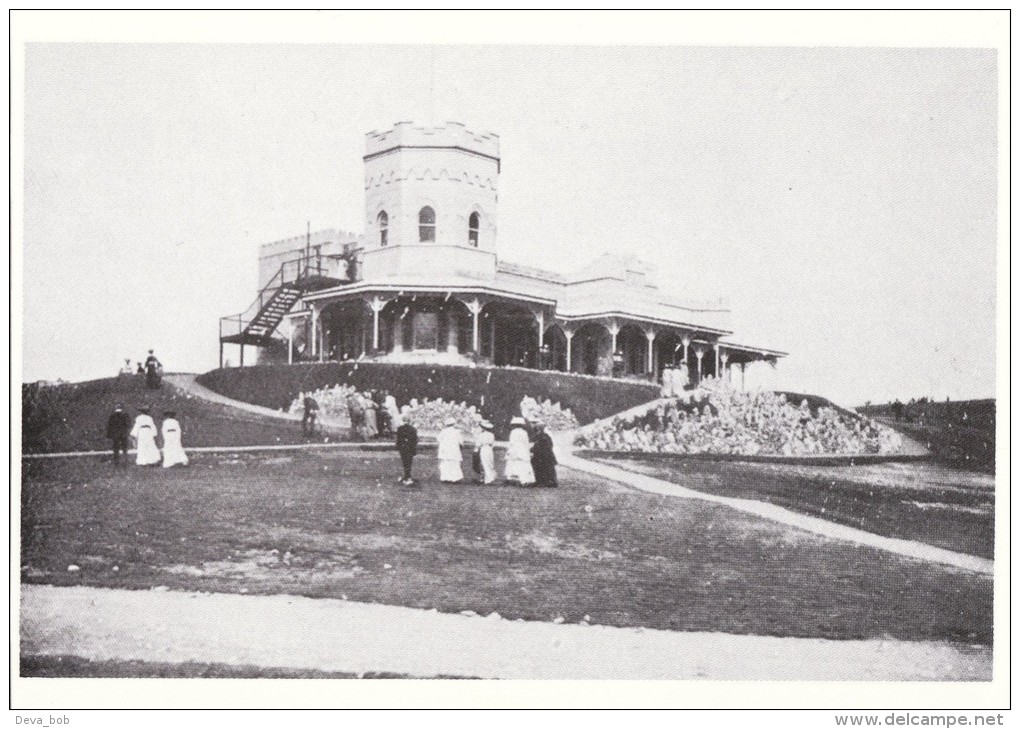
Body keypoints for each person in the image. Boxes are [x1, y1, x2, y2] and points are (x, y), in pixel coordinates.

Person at [505, 416, 535, 485]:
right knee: (523, 464)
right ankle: (524, 479)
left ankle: (513, 479)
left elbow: (511, 442)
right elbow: (526, 442)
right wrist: (527, 450)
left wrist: (509, 450)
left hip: (515, 449)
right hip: (522, 449)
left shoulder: (513, 432)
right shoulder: (524, 432)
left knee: (514, 463)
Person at [395, 406, 419, 485]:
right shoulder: (413, 429)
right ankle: (408, 475)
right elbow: (415, 440)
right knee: (409, 462)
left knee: (404, 461)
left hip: (402, 448)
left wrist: (398, 447)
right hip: (410, 448)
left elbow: (398, 439)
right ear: (409, 421)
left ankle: (406, 475)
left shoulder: (400, 428)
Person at [531, 421, 558, 487]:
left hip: (543, 455)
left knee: (542, 467)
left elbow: (540, 446)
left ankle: (544, 481)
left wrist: (533, 449)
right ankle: (547, 481)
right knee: (547, 468)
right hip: (546, 455)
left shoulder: (542, 436)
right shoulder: (545, 436)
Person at [437, 417, 464, 483]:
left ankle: (445, 478)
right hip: (454, 450)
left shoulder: (443, 431)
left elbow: (438, 439)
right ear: (454, 424)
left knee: (445, 463)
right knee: (454, 464)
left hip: (445, 450)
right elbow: (461, 442)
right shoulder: (457, 432)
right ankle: (455, 478)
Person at [475, 420, 496, 484]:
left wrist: (476, 450)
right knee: (489, 463)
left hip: (483, 449)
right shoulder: (492, 435)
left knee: (484, 463)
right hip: (489, 449)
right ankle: (489, 478)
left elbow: (478, 444)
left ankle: (486, 479)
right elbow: (492, 444)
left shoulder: (481, 435)